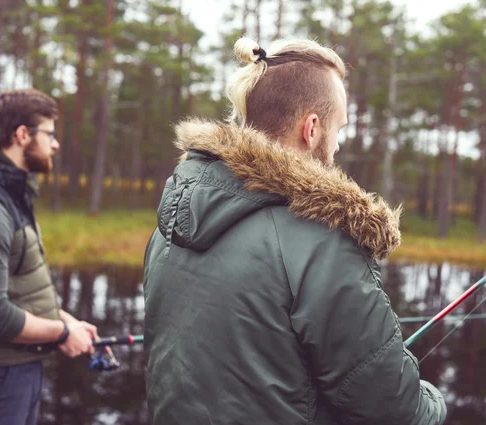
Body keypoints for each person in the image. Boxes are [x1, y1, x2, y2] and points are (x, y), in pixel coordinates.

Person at [143, 37, 447, 425]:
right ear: (312, 128)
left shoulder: (169, 225)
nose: (336, 146)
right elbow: (396, 412)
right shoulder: (322, 242)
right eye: (339, 129)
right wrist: (434, 400)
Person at [0, 89, 98, 425]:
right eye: (50, 134)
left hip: (18, 373)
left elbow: (18, 289)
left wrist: (68, 321)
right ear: (22, 135)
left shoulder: (11, 194)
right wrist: (61, 333)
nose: (55, 144)